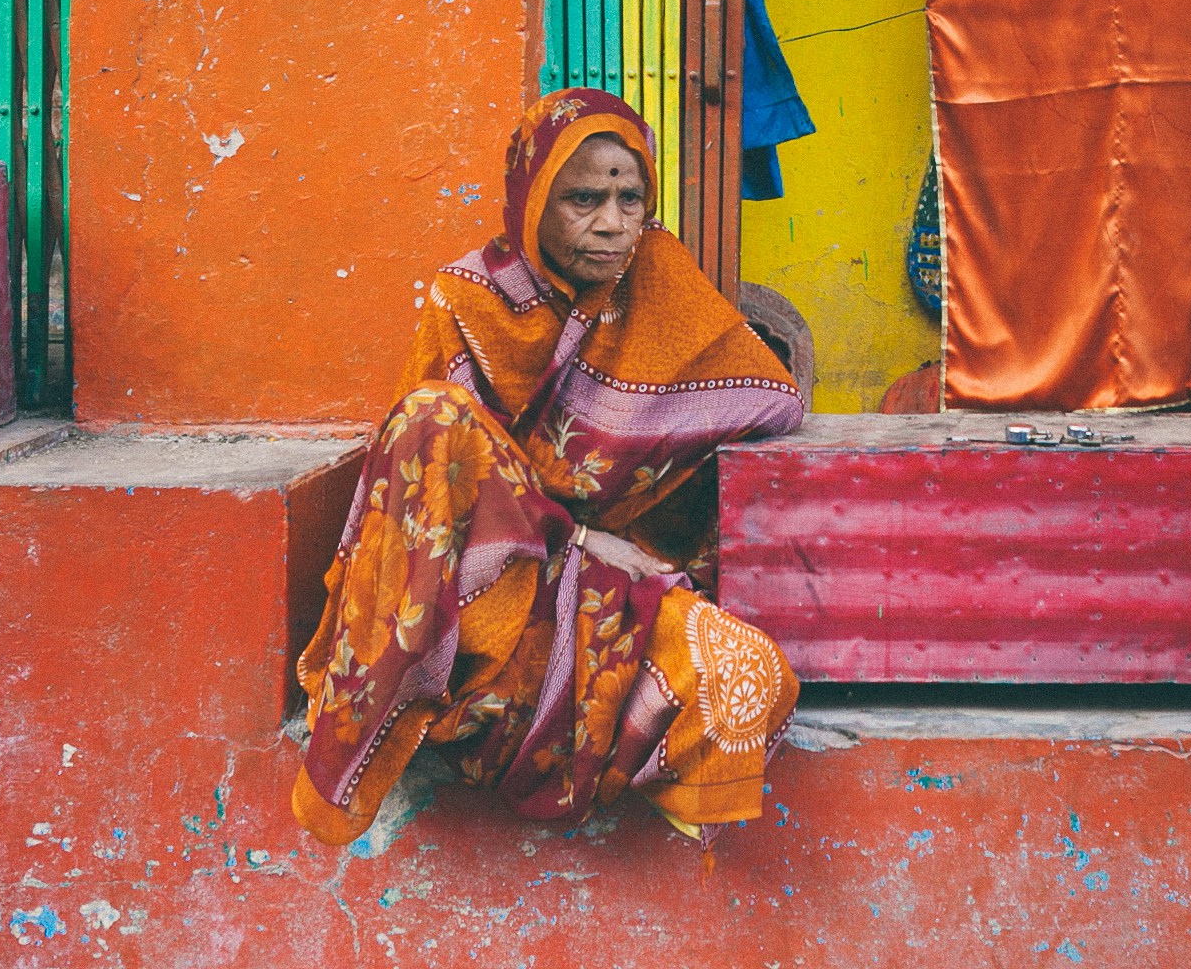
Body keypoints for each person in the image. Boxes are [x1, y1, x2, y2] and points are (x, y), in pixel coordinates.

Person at [292, 90, 806, 844]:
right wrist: (576, 536)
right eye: (584, 199)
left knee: (746, 673)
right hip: (486, 584)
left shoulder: (656, 276)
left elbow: (769, 399)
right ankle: (396, 710)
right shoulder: (469, 301)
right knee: (433, 418)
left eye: (631, 197)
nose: (613, 222)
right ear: (533, 199)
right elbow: (420, 491)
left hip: (615, 586)